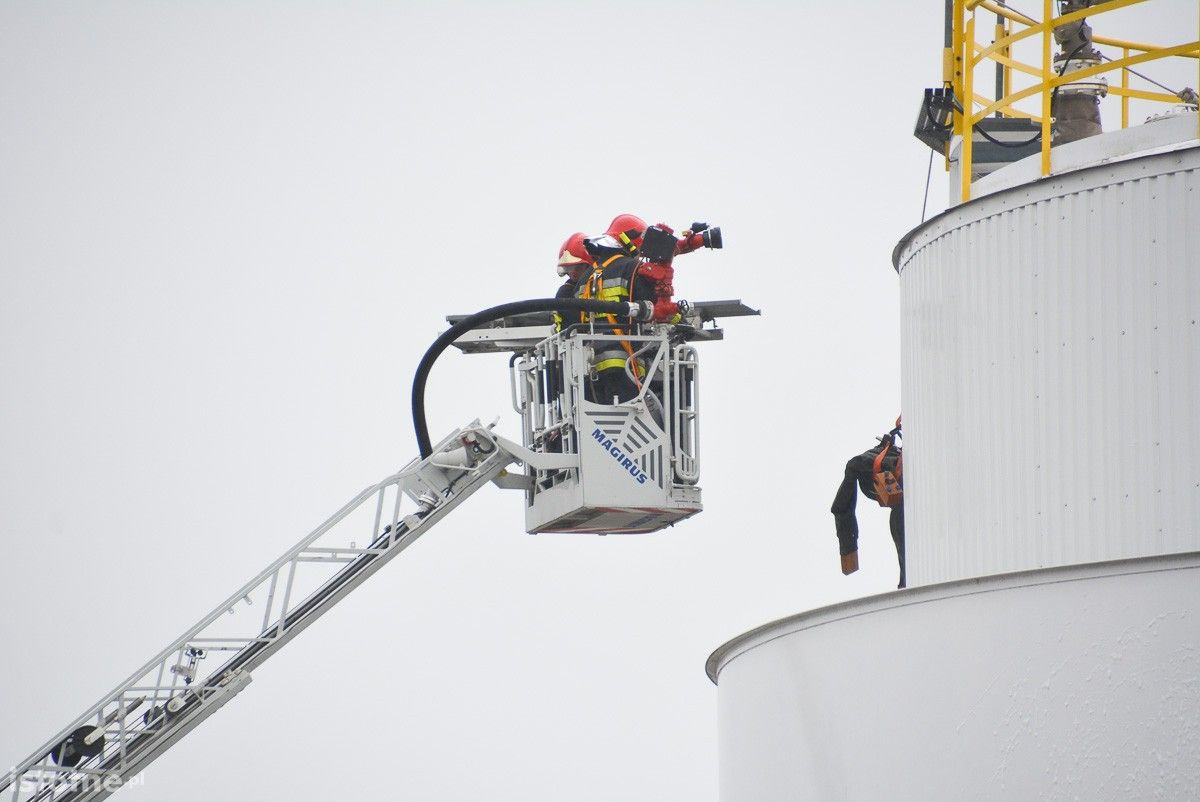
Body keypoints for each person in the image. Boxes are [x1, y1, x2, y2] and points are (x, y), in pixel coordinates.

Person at [574, 215, 658, 404]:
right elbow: (651, 306)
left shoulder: (586, 275)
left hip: (590, 365)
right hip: (624, 362)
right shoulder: (632, 267)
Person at [830, 419, 905, 588]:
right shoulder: (864, 465)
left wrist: (847, 550)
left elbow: (840, 509)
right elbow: (840, 509)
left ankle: (906, 583)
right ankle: (906, 583)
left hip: (892, 478)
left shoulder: (862, 466)